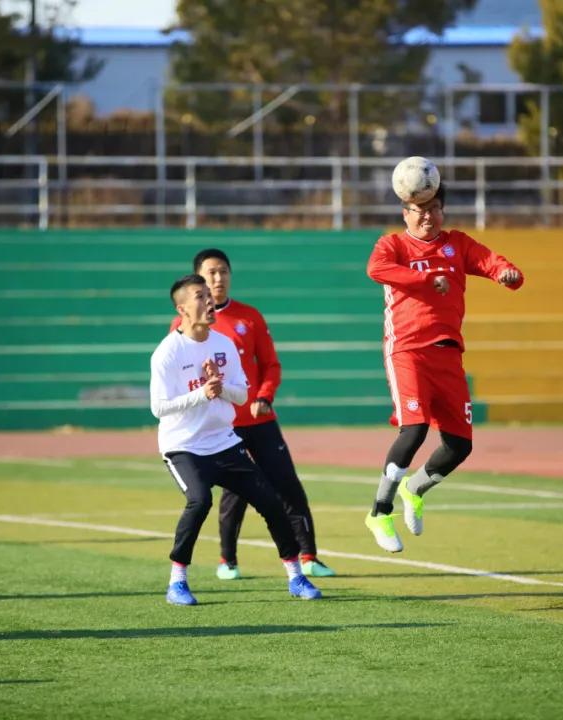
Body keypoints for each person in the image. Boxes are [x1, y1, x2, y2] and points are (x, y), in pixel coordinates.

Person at [364, 183, 524, 552]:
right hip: (407, 351)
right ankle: (379, 511)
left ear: (442, 210)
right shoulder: (393, 245)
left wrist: (507, 273)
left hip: (448, 354)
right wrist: (423, 279)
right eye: (417, 208)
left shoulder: (457, 244)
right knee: (415, 429)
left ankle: (414, 488)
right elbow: (376, 269)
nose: (426, 215)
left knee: (459, 445)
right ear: (405, 212)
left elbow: (491, 261)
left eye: (433, 207)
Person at [150, 274, 323, 605]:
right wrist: (202, 393)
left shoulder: (223, 344)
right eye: (199, 296)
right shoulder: (167, 353)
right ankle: (177, 582)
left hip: (224, 442)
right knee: (199, 501)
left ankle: (296, 576)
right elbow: (159, 408)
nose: (209, 301)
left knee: (271, 502)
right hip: (184, 446)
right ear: (182, 308)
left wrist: (218, 386)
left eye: (208, 295)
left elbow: (241, 395)